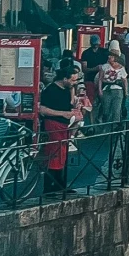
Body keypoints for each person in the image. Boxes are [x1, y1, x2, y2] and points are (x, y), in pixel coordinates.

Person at [39, 54, 79, 191]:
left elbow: (70, 103)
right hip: (54, 123)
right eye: (73, 80)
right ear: (64, 79)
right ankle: (50, 186)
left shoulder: (67, 89)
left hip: (64, 125)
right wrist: (63, 113)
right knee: (54, 155)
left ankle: (60, 184)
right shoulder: (51, 90)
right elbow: (42, 109)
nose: (75, 82)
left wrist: (72, 90)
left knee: (62, 155)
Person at [95, 44, 129, 126]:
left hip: (118, 90)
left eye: (111, 56)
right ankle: (105, 121)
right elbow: (100, 79)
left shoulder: (121, 68)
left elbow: (124, 80)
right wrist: (99, 90)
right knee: (106, 110)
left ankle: (115, 127)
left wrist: (126, 91)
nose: (109, 57)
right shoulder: (104, 67)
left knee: (116, 110)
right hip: (106, 89)